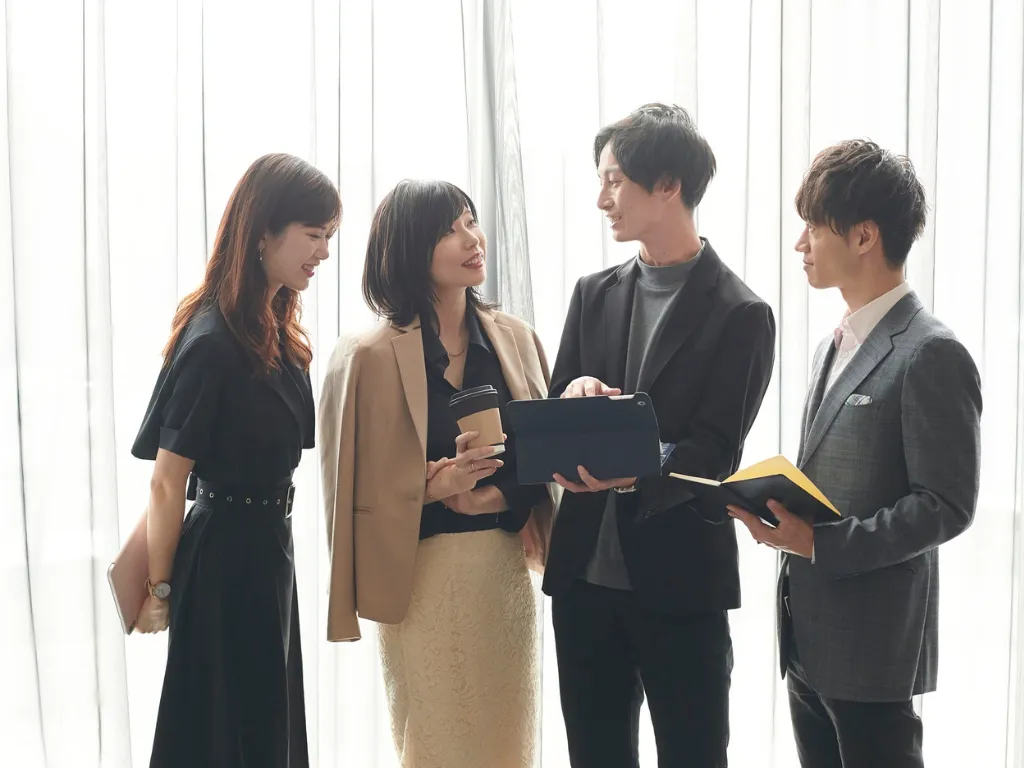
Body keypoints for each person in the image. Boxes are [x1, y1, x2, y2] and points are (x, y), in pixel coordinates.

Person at [729, 139, 982, 768]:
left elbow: (945, 505)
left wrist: (818, 543)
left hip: (873, 649)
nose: (801, 244)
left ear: (864, 235)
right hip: (809, 640)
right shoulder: (829, 346)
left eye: (813, 226)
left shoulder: (930, 352)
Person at [542, 103, 777, 767]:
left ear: (668, 184)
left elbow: (713, 453)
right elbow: (553, 410)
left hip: (680, 587)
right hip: (584, 582)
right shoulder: (593, 292)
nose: (601, 198)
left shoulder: (742, 313)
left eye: (614, 179)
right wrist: (574, 394)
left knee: (693, 756)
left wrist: (637, 466)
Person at [318, 179, 554, 768]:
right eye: (450, 229)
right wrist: (431, 487)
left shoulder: (516, 340)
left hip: (501, 579)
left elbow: (542, 460)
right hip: (417, 583)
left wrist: (496, 496)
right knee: (436, 745)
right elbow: (346, 490)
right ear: (408, 248)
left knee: (507, 745)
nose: (472, 239)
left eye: (471, 220)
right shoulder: (366, 355)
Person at [130, 153, 340, 768]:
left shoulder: (273, 328)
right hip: (224, 558)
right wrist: (159, 588)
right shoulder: (214, 339)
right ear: (263, 234)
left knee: (262, 721)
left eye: (328, 237)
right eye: (313, 235)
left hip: (266, 547)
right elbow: (168, 482)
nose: (323, 253)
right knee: (228, 729)